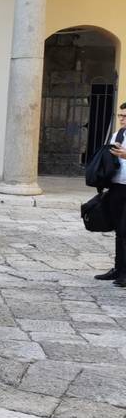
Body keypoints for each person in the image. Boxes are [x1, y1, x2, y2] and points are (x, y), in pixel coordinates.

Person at [99, 105, 126, 285]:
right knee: (118, 230)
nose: (122, 118)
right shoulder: (117, 134)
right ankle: (118, 269)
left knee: (125, 230)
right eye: (120, 115)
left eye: (125, 116)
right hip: (117, 186)